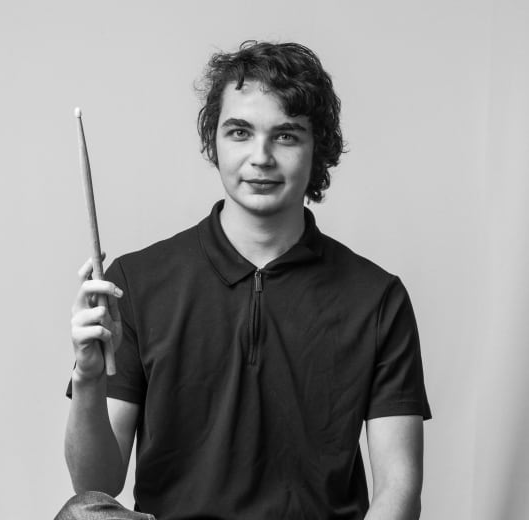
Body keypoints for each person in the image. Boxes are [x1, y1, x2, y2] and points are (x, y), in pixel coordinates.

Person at [58, 41, 431, 520]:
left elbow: (399, 492)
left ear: (318, 149)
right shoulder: (135, 281)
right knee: (81, 515)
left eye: (287, 136)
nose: (261, 157)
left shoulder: (378, 299)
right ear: (214, 141)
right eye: (240, 132)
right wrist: (87, 377)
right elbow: (96, 487)